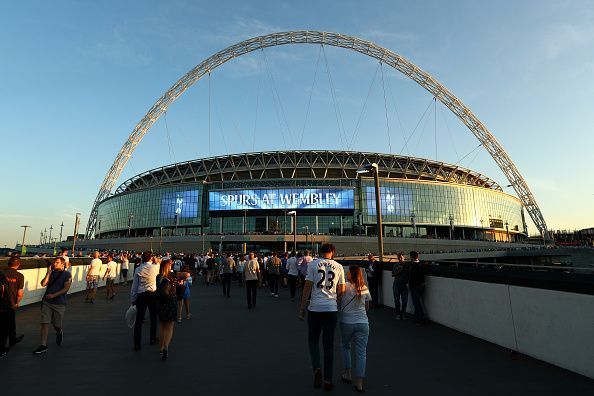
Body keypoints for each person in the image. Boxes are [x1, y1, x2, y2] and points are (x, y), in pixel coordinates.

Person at [299, 243, 346, 391]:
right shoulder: (339, 267)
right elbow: (342, 290)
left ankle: (317, 368)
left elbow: (307, 287)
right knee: (328, 344)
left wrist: (302, 308)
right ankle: (328, 379)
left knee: (313, 340)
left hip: (315, 309)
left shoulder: (313, 264)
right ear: (332, 252)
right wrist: (334, 300)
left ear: (320, 252)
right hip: (330, 309)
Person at [340, 266, 371, 392]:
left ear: (350, 274)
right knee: (361, 353)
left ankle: (347, 374)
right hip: (363, 323)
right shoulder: (364, 288)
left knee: (345, 346)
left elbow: (338, 299)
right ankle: (359, 383)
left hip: (347, 322)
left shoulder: (345, 286)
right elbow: (367, 307)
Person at [33, 257, 72, 355]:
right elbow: (43, 284)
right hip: (47, 302)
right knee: (44, 323)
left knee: (57, 325)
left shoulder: (67, 274)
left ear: (63, 264)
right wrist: (48, 273)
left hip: (59, 303)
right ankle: (43, 345)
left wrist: (54, 295)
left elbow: (66, 288)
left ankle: (59, 332)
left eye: (57, 263)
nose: (55, 264)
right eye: (54, 262)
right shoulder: (51, 273)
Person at [131, 251, 160, 350]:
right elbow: (159, 265)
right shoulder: (155, 267)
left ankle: (137, 343)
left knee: (139, 320)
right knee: (153, 317)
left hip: (141, 294)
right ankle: (152, 338)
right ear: (151, 258)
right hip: (152, 293)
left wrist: (133, 298)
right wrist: (156, 261)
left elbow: (134, 286)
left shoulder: (138, 269)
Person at [0, 256, 25, 357]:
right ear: (18, 265)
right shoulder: (19, 276)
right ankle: (2, 349)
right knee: (5, 326)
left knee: (9, 322)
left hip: (1, 303)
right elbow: (20, 293)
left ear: (8, 263)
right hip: (10, 304)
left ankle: (13, 339)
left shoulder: (1, 273)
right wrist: (16, 303)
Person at [156, 258, 177, 360]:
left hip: (161, 303)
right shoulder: (171, 277)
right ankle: (166, 347)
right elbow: (186, 275)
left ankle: (160, 347)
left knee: (162, 325)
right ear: (168, 266)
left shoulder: (158, 277)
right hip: (171, 302)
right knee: (170, 326)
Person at [408, 251, 426, 324]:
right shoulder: (421, 264)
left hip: (415, 286)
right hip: (421, 285)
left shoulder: (412, 265)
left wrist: (409, 286)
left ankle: (420, 318)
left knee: (416, 303)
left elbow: (411, 277)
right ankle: (417, 318)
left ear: (411, 257)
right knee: (417, 302)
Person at [392, 252, 410, 320]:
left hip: (404, 285)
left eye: (400, 257)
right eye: (398, 257)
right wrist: (399, 271)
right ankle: (398, 314)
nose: (399, 259)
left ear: (403, 257)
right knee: (396, 300)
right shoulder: (395, 265)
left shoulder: (407, 265)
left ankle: (403, 314)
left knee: (404, 301)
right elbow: (392, 274)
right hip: (396, 285)